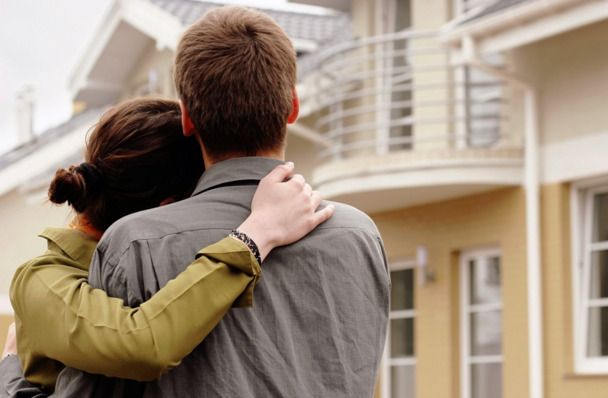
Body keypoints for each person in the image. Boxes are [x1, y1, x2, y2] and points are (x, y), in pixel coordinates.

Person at [53, 5, 390, 398]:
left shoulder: (135, 244)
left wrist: (11, 374)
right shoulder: (358, 235)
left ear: (187, 119)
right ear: (292, 107)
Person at [0, 98, 333, 396]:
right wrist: (255, 235)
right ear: (167, 208)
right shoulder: (42, 280)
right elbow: (141, 344)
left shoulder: (176, 263)